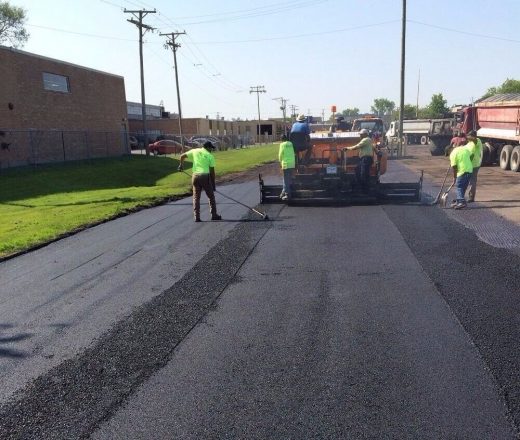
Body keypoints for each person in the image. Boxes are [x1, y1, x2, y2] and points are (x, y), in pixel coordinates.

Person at [178, 141, 222, 222]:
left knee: (196, 197)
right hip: (205, 176)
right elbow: (212, 172)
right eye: (211, 148)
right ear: (207, 147)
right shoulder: (209, 156)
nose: (211, 150)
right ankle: (214, 215)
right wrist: (213, 185)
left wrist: (181, 165)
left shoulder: (195, 151)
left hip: (195, 176)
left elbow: (182, 156)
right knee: (211, 196)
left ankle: (197, 217)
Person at [447, 143, 473, 209]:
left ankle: (461, 202)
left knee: (459, 186)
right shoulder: (464, 149)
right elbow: (471, 155)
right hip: (470, 170)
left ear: (449, 151)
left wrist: (454, 177)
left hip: (462, 171)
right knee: (463, 187)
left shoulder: (452, 154)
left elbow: (454, 167)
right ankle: (459, 201)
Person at [465, 130, 483, 202]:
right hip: (467, 164)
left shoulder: (477, 141)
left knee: (472, 181)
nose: (468, 137)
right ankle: (461, 196)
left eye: (470, 136)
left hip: (474, 165)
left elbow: (474, 140)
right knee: (465, 180)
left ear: (474, 136)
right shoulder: (469, 143)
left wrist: (466, 137)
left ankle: (471, 197)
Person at [278, 134, 295, 200]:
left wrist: (280, 162)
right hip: (292, 164)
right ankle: (284, 191)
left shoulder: (282, 145)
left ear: (281, 139)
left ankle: (287, 195)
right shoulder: (290, 143)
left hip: (286, 164)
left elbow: (280, 155)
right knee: (289, 179)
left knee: (285, 180)